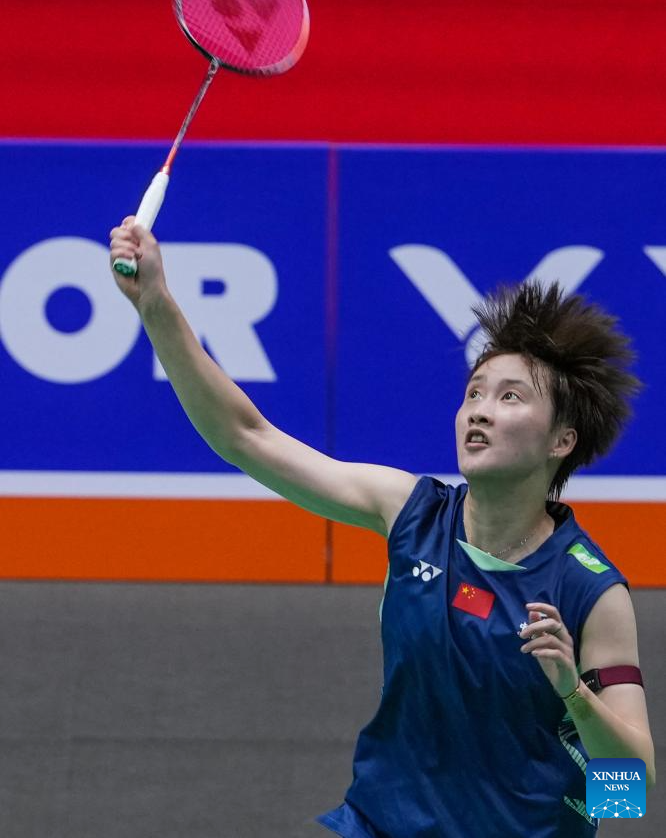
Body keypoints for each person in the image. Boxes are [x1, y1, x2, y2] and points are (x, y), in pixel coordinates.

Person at [110, 218, 656, 837]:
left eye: (510, 397)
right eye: (475, 392)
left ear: (563, 440)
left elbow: (628, 795)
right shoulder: (412, 515)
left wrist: (572, 694)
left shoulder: (590, 592)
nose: (479, 411)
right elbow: (245, 436)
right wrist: (155, 304)